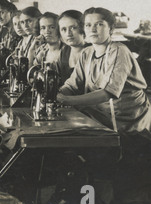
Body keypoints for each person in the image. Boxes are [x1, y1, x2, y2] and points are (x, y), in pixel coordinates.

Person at [57, 7, 151, 135]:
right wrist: (58, 95)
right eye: (88, 25)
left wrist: (68, 100)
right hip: (101, 113)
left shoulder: (119, 51)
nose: (93, 29)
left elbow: (107, 93)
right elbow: (72, 85)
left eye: (99, 24)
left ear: (111, 29)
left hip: (128, 119)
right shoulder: (87, 53)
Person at [55, 10, 90, 85]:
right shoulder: (64, 52)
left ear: (83, 28)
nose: (68, 34)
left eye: (73, 28)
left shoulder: (92, 51)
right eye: (64, 29)